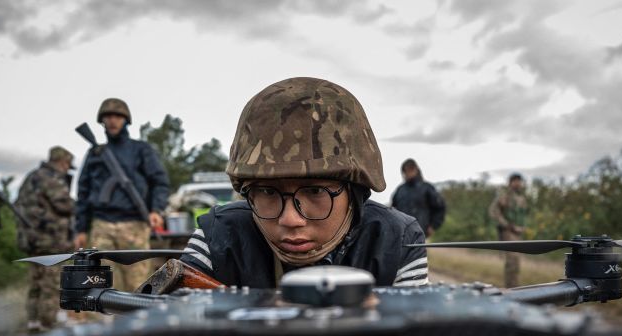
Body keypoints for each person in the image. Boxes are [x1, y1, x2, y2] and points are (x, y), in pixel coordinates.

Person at [176, 77, 428, 287]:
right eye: (266, 191)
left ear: (354, 193)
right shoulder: (219, 237)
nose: (290, 219)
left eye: (315, 191)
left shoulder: (394, 240)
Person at [74, 98, 170, 291]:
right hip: (102, 226)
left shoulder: (141, 150)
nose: (112, 121)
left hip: (134, 225)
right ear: (102, 121)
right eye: (108, 117)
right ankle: (102, 322)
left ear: (126, 120)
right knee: (100, 285)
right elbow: (83, 192)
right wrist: (81, 229)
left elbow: (159, 181)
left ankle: (137, 320)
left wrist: (156, 209)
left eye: (117, 116)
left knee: (138, 286)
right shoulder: (95, 153)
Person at [15, 146, 76, 331]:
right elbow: (64, 205)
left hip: (32, 239)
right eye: (67, 165)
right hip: (51, 241)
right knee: (51, 283)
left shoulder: (31, 177)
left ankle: (33, 321)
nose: (67, 169)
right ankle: (48, 323)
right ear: (62, 162)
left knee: (36, 282)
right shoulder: (51, 178)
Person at [489, 173, 528, 288]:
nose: (518, 183)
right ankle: (511, 288)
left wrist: (523, 227)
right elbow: (493, 211)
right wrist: (506, 225)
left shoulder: (521, 198)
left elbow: (522, 215)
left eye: (519, 181)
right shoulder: (504, 196)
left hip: (518, 233)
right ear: (510, 182)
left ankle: (515, 287)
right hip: (509, 232)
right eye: (515, 181)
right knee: (512, 261)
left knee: (516, 262)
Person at [391, 158, 446, 238]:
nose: (408, 173)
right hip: (401, 234)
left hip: (420, 233)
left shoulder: (427, 188)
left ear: (416, 170)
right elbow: (392, 209)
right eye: (405, 171)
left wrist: (433, 226)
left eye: (410, 170)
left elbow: (440, 208)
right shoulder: (400, 190)